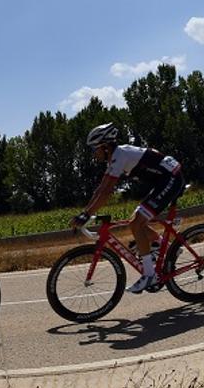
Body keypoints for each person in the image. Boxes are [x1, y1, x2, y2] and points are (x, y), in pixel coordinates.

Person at [73, 123, 185, 293]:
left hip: (171, 178)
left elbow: (107, 192)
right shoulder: (115, 157)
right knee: (135, 221)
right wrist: (84, 213)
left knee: (137, 223)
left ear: (105, 147)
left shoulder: (121, 156)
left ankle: (149, 275)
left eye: (94, 149)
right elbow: (101, 189)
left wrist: (87, 214)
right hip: (163, 179)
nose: (93, 153)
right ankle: (169, 249)